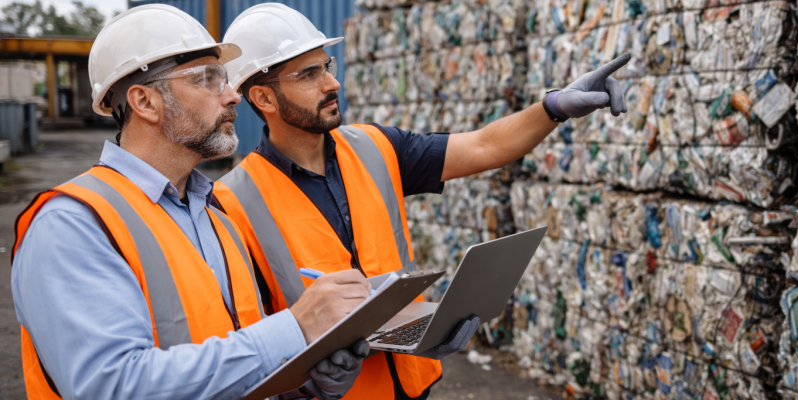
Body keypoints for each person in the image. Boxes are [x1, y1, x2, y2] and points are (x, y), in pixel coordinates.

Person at [212, 4, 630, 400]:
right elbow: (244, 333)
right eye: (308, 74)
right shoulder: (231, 202)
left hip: (415, 385)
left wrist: (553, 107)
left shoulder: (378, 147)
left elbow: (485, 146)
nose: (332, 83)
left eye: (328, 66)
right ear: (263, 99)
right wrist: (298, 388)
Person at [12, 5, 369, 400]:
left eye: (225, 79)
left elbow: (240, 360)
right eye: (208, 79)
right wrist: (295, 328)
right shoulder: (72, 224)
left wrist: (308, 378)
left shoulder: (215, 215)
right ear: (145, 102)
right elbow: (112, 386)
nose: (233, 95)